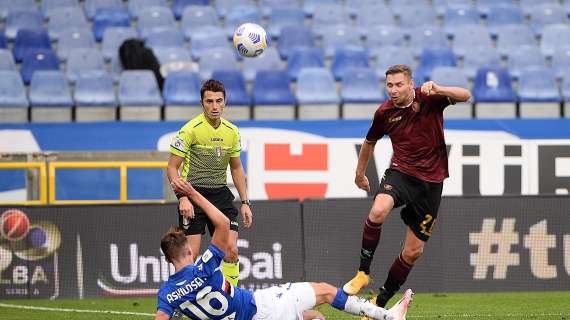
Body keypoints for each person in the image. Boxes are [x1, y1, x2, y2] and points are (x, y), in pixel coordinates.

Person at [155, 180, 413, 320]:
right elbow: (222, 224)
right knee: (324, 291)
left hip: (252, 314)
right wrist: (192, 192)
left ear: (168, 259)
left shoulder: (167, 294)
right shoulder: (205, 265)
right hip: (260, 308)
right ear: (189, 250)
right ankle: (387, 317)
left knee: (312, 316)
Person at [342, 65, 471, 312]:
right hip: (402, 173)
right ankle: (362, 272)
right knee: (378, 210)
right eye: (389, 85)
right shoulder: (384, 113)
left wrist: (440, 88)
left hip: (432, 184)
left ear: (411, 84)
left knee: (413, 252)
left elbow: (465, 95)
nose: (393, 90)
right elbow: (369, 143)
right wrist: (360, 173)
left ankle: (378, 305)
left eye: (399, 84)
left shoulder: (430, 99)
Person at [167, 79, 253, 287]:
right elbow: (171, 168)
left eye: (218, 101)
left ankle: (231, 300)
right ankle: (181, 301)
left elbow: (236, 167)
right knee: (190, 255)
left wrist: (245, 202)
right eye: (209, 101)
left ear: (225, 103)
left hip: (221, 196)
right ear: (202, 103)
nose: (214, 106)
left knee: (231, 250)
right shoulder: (190, 130)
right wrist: (183, 198)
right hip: (194, 194)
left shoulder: (232, 131)